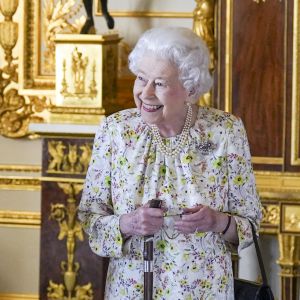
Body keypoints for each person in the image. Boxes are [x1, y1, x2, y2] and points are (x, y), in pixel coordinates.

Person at [78, 27, 262, 299]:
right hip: (129, 291)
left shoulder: (226, 131)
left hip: (204, 292)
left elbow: (252, 225)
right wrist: (128, 223)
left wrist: (218, 222)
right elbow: (89, 218)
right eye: (141, 79)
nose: (145, 93)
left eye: (160, 83)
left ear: (190, 88)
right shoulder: (116, 131)